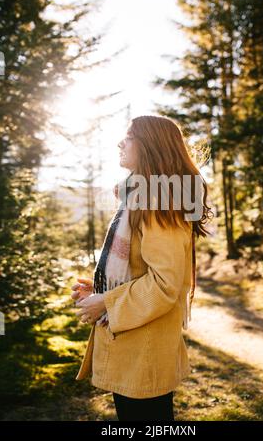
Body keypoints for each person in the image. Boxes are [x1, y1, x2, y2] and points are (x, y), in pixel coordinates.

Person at [71, 115, 212, 421]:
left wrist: (107, 302)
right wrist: (98, 292)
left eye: (129, 136)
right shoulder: (139, 198)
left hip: (144, 350)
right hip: (132, 344)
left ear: (151, 146)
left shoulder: (160, 203)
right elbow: (138, 270)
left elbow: (164, 284)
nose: (120, 142)